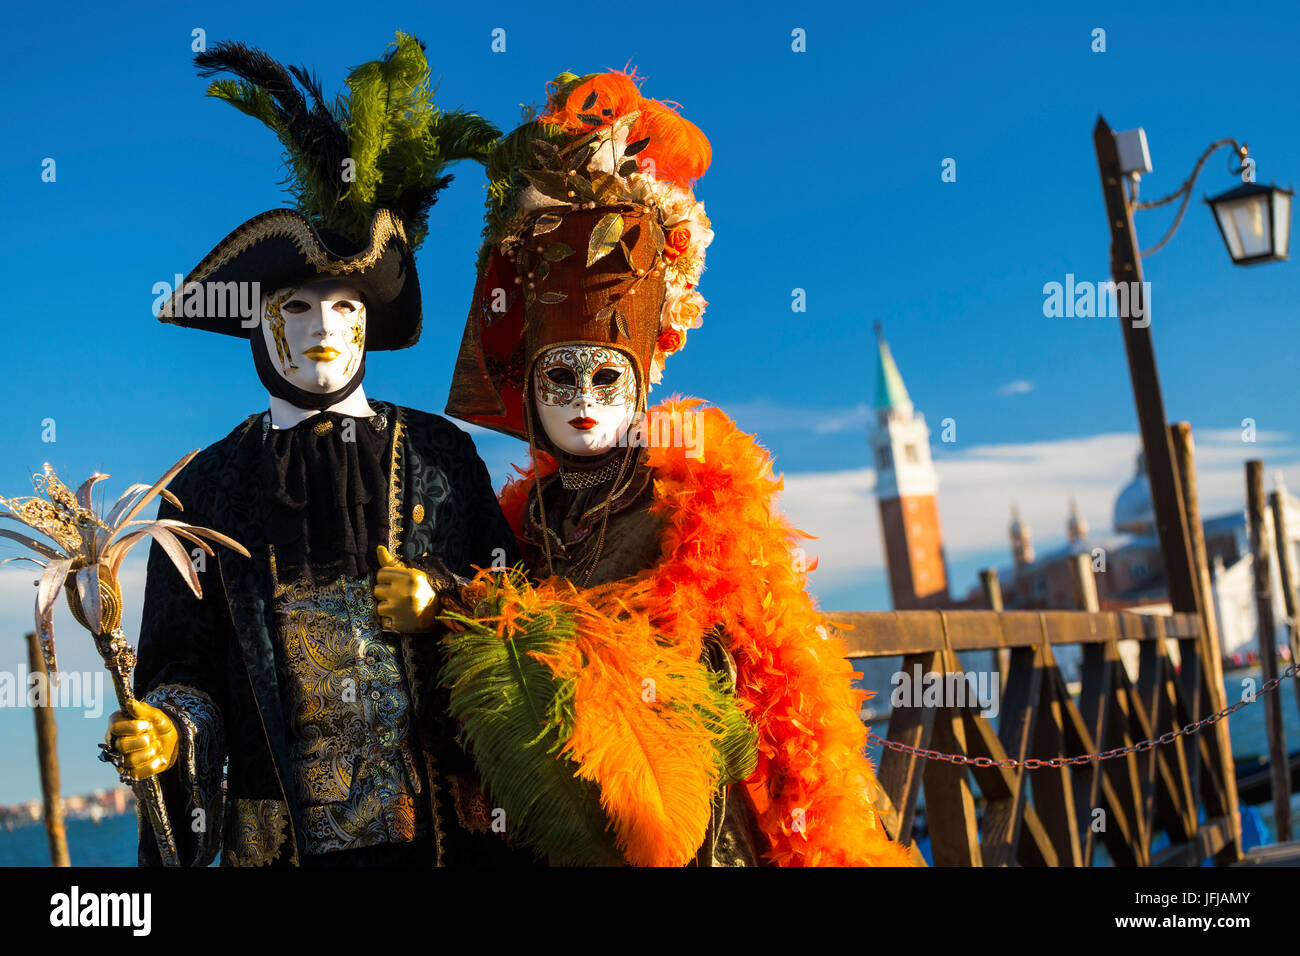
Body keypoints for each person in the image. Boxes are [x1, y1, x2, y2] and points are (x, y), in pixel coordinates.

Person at [390, 69, 915, 866]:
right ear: (529, 393)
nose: (585, 402)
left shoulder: (692, 498)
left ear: (640, 384)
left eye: (607, 379)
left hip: (700, 827)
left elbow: (741, 710)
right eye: (560, 377)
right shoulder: (521, 522)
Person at [102, 34, 533, 868]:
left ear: (371, 319)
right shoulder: (200, 488)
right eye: (297, 306)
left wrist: (443, 597)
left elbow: (523, 602)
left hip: (447, 839)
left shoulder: (441, 453)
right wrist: (165, 729)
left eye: (345, 305)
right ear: (257, 324)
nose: (325, 330)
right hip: (283, 848)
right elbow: (184, 670)